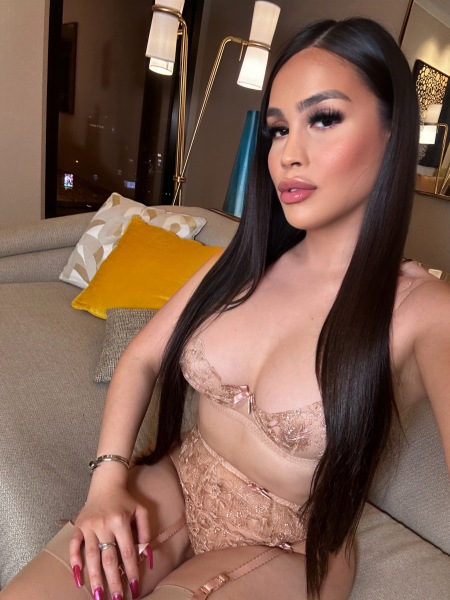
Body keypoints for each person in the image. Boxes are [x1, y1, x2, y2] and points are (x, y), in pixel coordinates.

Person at [2, 16, 449, 600]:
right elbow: (140, 358)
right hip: (179, 480)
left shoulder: (423, 311)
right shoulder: (241, 259)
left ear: (393, 133)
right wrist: (107, 479)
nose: (288, 154)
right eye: (278, 129)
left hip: (291, 547)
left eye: (323, 118)